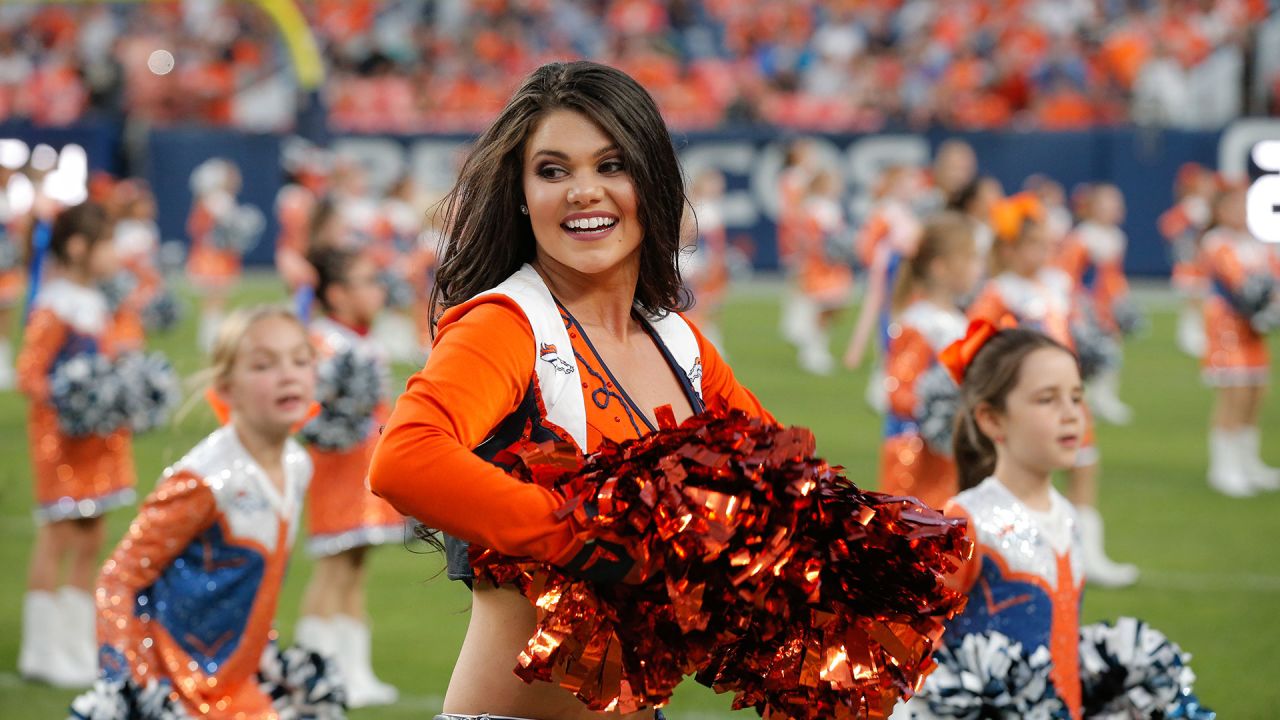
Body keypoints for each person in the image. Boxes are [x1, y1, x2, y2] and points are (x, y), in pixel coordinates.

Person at [367, 60, 772, 720]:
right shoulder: (506, 324)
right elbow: (404, 458)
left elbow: (786, 490)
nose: (584, 190)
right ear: (523, 195)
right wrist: (581, 534)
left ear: (652, 182)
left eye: (611, 166)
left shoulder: (680, 343)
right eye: (553, 171)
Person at [73, 306, 330, 718]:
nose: (288, 375)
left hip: (240, 687)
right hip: (180, 694)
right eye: (264, 364)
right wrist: (138, 685)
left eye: (301, 360)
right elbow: (118, 580)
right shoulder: (206, 480)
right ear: (226, 389)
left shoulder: (297, 464)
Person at [901, 322, 1087, 719]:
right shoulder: (968, 521)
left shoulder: (1069, 517)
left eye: (1076, 397)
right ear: (991, 420)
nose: (1071, 414)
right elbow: (911, 647)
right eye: (1047, 400)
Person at [968, 194, 1138, 588]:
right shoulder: (998, 291)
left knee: (1084, 466)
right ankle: (1019, 553)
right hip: (1029, 402)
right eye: (1033, 244)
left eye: (1046, 243)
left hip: (1068, 393)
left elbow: (1074, 325)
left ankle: (1087, 555)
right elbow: (976, 345)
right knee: (1023, 478)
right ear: (1008, 249)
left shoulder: (1057, 283)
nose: (1043, 251)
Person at [17, 201, 133, 688]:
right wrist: (75, 401)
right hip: (63, 440)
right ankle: (41, 648)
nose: (115, 252)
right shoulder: (54, 304)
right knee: (58, 535)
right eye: (106, 242)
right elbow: (29, 374)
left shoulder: (97, 301)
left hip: (101, 440)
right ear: (80, 247)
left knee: (90, 538)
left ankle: (75, 640)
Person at [294, 246, 402, 707]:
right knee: (333, 567)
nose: (378, 290)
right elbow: (310, 413)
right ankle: (312, 673)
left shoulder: (365, 341)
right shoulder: (323, 342)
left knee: (355, 566)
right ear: (336, 294)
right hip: (337, 470)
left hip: (367, 470)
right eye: (366, 281)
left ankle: (354, 670)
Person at [880, 212, 982, 508]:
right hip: (915, 456)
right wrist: (941, 411)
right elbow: (898, 393)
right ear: (940, 268)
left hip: (948, 454)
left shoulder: (959, 320)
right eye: (971, 259)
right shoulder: (920, 323)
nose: (979, 268)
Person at [1199, 183, 1280, 496]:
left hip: (1254, 328)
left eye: (1245, 206)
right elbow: (1238, 283)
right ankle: (1223, 468)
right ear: (1219, 211)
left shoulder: (1257, 243)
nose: (1242, 213)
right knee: (1234, 393)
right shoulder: (1216, 241)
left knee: (1256, 391)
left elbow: (1273, 277)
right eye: (1234, 207)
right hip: (1227, 326)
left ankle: (1249, 462)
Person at [1055, 183, 1136, 425]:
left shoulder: (1116, 237)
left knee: (1112, 350)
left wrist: (1122, 297)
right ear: (1091, 207)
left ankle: (1106, 397)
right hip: (1087, 307)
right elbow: (1068, 274)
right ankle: (1084, 398)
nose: (1114, 208)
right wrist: (1078, 306)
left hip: (1109, 306)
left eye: (1116, 203)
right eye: (1107, 203)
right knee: (1087, 353)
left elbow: (1115, 275)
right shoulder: (1082, 237)